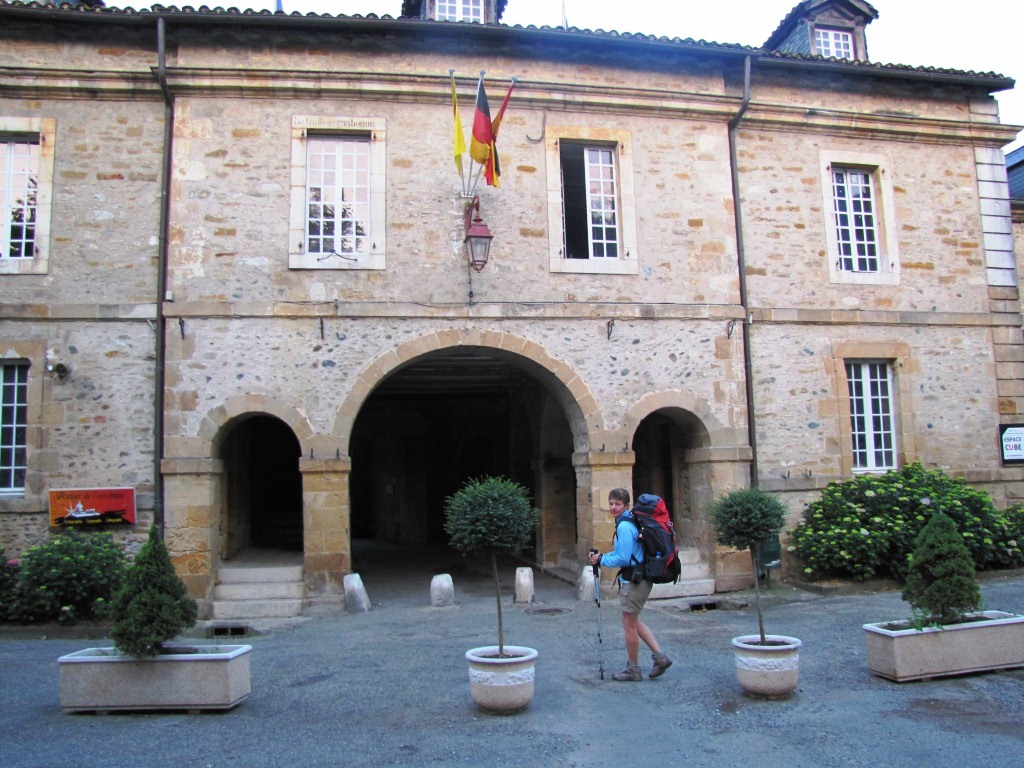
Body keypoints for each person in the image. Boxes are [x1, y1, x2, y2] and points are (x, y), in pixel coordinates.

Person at [588, 487, 673, 682]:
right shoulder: (628, 522)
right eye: (611, 503)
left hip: (634, 581)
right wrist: (602, 557)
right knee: (633, 621)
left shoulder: (625, 526)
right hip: (639, 578)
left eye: (618, 504)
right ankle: (660, 657)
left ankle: (633, 669)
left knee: (629, 626)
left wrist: (601, 559)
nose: (613, 507)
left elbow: (624, 558)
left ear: (627, 505)